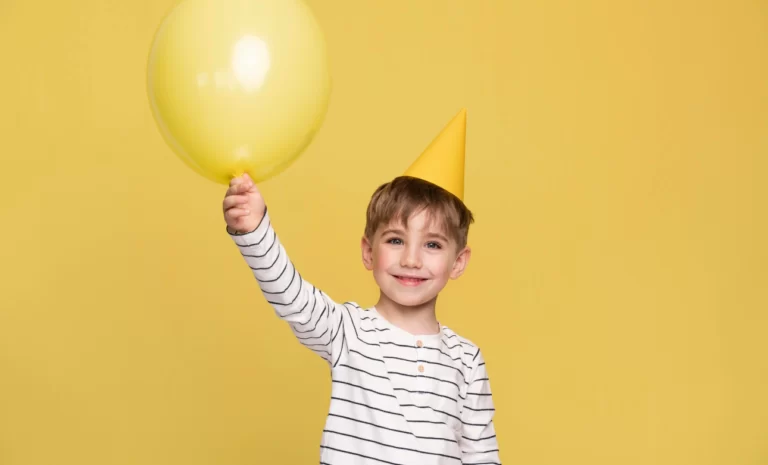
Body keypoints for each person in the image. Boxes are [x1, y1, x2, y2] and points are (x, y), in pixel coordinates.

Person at [223, 109, 501, 465]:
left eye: (432, 245)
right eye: (396, 240)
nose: (412, 260)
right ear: (369, 252)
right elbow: (290, 295)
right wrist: (255, 229)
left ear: (458, 262)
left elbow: (482, 457)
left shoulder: (467, 359)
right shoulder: (347, 331)